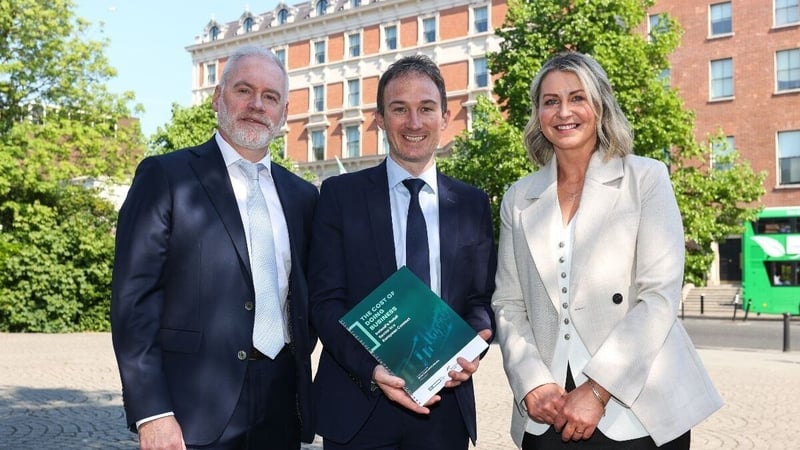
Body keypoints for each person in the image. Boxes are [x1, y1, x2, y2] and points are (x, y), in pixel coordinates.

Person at [491, 51, 723, 450]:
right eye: (551, 101)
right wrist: (532, 382)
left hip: (638, 407)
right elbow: (508, 304)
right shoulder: (518, 198)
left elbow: (659, 296)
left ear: (599, 105)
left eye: (577, 97)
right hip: (549, 409)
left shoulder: (646, 178)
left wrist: (598, 390)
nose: (564, 111)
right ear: (538, 115)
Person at [111, 45, 318, 449]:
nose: (257, 105)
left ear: (285, 114)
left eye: (270, 96)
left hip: (282, 406)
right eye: (244, 90)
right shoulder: (166, 176)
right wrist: (152, 412)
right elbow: (133, 302)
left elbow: (320, 296)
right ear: (217, 98)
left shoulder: (303, 197)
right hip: (193, 411)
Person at [307, 54, 497, 450]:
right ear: (379, 118)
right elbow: (325, 303)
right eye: (399, 109)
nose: (414, 123)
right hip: (358, 408)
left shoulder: (472, 203)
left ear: (445, 117)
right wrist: (373, 369)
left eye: (426, 108)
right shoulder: (339, 196)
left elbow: (480, 300)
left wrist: (473, 344)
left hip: (443, 411)